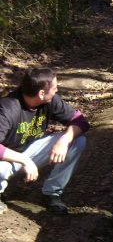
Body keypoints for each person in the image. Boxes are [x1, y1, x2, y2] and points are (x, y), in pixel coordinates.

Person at [0, 68, 89, 215]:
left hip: (30, 151)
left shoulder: (51, 101)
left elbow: (81, 122)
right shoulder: (7, 108)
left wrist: (64, 140)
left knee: (77, 140)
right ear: (41, 93)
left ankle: (52, 194)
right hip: (8, 158)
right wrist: (24, 161)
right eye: (54, 88)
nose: (57, 90)